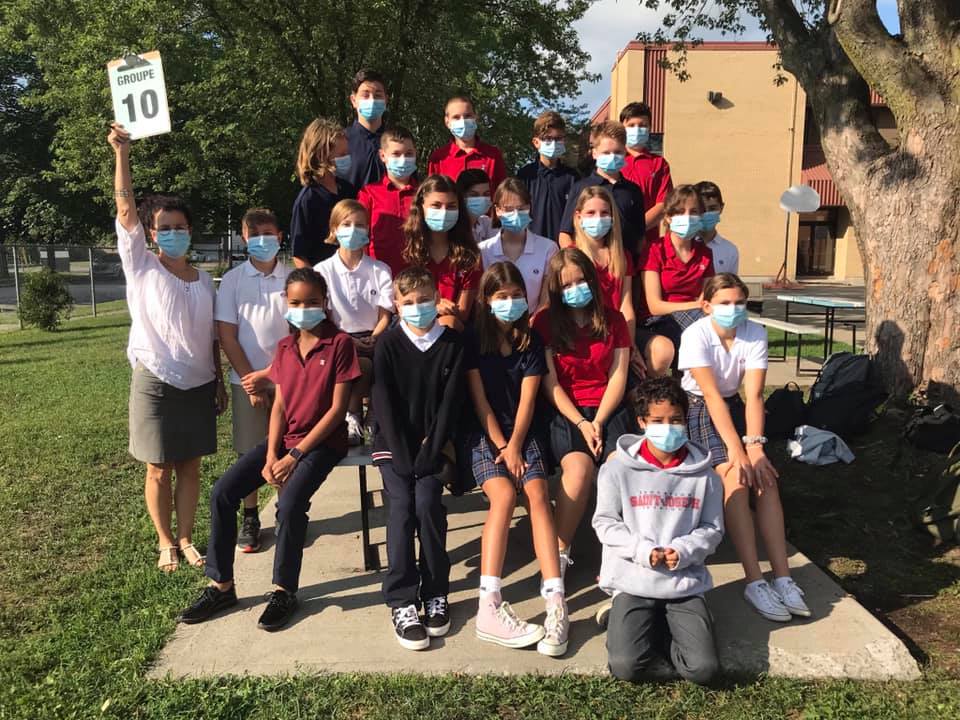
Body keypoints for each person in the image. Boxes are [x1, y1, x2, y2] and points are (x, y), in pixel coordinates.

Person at [178, 268, 361, 631]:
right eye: (296, 303)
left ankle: (284, 591)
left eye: (312, 302)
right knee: (223, 492)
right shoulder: (285, 348)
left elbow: (337, 410)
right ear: (286, 304)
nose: (304, 309)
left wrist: (294, 456)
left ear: (324, 302)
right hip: (286, 442)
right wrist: (273, 453)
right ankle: (221, 585)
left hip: (322, 443)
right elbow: (279, 405)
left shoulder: (340, 344)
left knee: (290, 504)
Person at [108, 122, 226, 573]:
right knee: (158, 467)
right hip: (155, 381)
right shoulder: (142, 266)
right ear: (152, 233)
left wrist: (217, 381)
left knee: (190, 466)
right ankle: (165, 541)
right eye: (165, 228)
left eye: (181, 227)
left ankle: (187, 536)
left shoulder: (205, 282)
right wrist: (122, 153)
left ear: (190, 231)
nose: (174, 232)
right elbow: (125, 209)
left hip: (199, 384)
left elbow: (211, 337)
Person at [679, 273, 810, 622]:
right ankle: (754, 580)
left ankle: (783, 578)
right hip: (699, 408)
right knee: (735, 479)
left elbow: (753, 395)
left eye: (739, 302)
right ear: (706, 306)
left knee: (765, 479)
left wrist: (755, 446)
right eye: (724, 303)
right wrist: (737, 451)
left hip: (734, 405)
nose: (733, 309)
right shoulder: (695, 335)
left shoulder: (755, 333)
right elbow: (709, 395)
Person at [466, 262, 569, 656]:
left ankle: (556, 601)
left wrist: (515, 445)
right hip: (485, 434)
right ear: (486, 299)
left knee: (539, 495)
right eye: (501, 296)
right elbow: (480, 403)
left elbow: (528, 400)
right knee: (504, 496)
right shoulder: (474, 340)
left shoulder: (531, 339)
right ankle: (488, 605)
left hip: (523, 433)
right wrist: (501, 446)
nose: (509, 302)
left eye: (516, 295)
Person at [593, 376, 722, 685]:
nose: (668, 427)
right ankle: (623, 617)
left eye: (676, 420)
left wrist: (685, 551)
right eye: (658, 420)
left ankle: (663, 627)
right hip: (633, 580)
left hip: (683, 583)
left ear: (686, 420)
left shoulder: (706, 476)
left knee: (703, 669)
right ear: (641, 422)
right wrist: (642, 551)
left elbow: (712, 528)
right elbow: (605, 522)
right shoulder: (616, 469)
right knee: (626, 666)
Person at [372, 266, 466, 650]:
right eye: (408, 301)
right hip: (394, 447)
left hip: (434, 448)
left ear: (437, 299)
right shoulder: (388, 345)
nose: (417, 307)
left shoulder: (453, 344)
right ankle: (402, 600)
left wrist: (429, 452)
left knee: (427, 504)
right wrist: (403, 457)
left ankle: (436, 592)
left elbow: (451, 404)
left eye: (424, 299)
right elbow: (383, 403)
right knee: (400, 508)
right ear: (396, 305)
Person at [532, 248, 636, 576]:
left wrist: (599, 421)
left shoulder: (613, 320)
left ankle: (619, 554)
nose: (575, 289)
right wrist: (581, 422)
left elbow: (618, 375)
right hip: (566, 410)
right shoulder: (545, 322)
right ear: (555, 289)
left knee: (620, 468)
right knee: (578, 470)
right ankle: (559, 552)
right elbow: (549, 383)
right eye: (566, 285)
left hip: (607, 406)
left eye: (580, 281)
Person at [215, 207, 291, 553]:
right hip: (246, 381)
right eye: (255, 234)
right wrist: (251, 380)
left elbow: (300, 332)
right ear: (244, 238)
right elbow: (227, 335)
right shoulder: (233, 280)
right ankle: (250, 517)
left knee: (286, 446)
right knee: (251, 451)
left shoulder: (291, 277)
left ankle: (287, 509)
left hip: (288, 380)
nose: (263, 240)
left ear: (280, 237)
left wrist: (274, 374)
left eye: (269, 233)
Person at [315, 200, 394, 445]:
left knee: (387, 362)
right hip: (338, 338)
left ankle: (376, 414)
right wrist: (348, 340)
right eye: (346, 224)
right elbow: (324, 318)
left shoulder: (380, 269)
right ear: (334, 229)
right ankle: (352, 416)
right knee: (358, 366)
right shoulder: (322, 271)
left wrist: (375, 337)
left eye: (360, 225)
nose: (353, 230)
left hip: (375, 336)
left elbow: (385, 315)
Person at [642, 185, 714, 358]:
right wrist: (695, 305)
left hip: (696, 316)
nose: (687, 217)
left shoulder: (705, 253)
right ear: (668, 217)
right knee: (701, 333)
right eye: (680, 212)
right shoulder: (654, 250)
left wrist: (700, 306)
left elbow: (708, 298)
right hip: (659, 320)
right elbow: (655, 306)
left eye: (693, 212)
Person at [402, 174, 481, 331]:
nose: (444, 212)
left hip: (452, 330)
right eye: (436, 206)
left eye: (451, 206)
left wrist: (437, 311)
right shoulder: (407, 250)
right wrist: (434, 307)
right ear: (421, 207)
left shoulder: (469, 255)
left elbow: (462, 313)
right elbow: (402, 301)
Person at [558, 121, 646, 259]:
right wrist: (575, 262)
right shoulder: (581, 188)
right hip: (588, 264)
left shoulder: (633, 191)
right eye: (606, 152)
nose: (612, 157)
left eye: (617, 152)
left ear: (625, 152)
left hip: (625, 266)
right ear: (594, 153)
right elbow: (565, 234)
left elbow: (640, 237)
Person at [477, 177, 558, 314]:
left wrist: (533, 322)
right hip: (493, 323)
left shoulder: (548, 248)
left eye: (521, 208)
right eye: (509, 209)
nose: (515, 214)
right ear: (497, 210)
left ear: (529, 207)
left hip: (533, 322)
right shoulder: (483, 250)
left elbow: (546, 298)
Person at [567, 185, 635, 340]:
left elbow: (626, 305)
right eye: (591, 213)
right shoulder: (571, 256)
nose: (598, 218)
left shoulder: (623, 256)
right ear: (579, 217)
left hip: (616, 333)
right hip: (585, 334)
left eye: (604, 213)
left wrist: (629, 344)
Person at [291, 118, 357, 268]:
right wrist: (315, 281)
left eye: (347, 153)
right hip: (321, 276)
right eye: (341, 154)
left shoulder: (348, 190)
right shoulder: (307, 199)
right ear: (322, 156)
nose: (347, 158)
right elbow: (299, 255)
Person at [358, 125, 419, 277]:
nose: (403, 159)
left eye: (409, 153)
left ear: (415, 154)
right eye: (396, 154)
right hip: (377, 276)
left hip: (417, 279)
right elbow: (360, 238)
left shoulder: (424, 193)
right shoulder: (368, 193)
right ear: (383, 156)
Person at [516, 110, 579, 242]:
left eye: (558, 138)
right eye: (548, 139)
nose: (554, 143)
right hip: (531, 246)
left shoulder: (573, 177)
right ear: (536, 142)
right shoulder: (525, 176)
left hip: (563, 247)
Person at [620, 102, 674, 249]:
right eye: (631, 125)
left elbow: (663, 204)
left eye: (642, 125)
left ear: (650, 128)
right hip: (614, 241)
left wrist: (635, 229)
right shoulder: (613, 160)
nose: (637, 129)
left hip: (647, 244)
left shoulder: (659, 164)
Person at [428, 95, 506, 190]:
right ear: (447, 122)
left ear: (475, 118)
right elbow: (432, 194)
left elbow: (502, 194)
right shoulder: (438, 159)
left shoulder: (493, 155)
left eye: (467, 116)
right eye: (456, 117)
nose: (463, 121)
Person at [345, 69, 389, 190]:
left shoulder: (397, 141)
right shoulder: (341, 141)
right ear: (353, 100)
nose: (372, 100)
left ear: (386, 100)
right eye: (365, 95)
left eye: (378, 95)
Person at [694, 181, 739, 275]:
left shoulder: (730, 250)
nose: (707, 213)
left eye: (712, 208)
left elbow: (730, 283)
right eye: (702, 209)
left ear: (721, 208)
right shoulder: (683, 245)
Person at [456, 169, 495, 243]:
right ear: (461, 196)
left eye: (486, 194)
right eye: (474, 195)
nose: (482, 199)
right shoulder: (453, 227)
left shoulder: (486, 223)